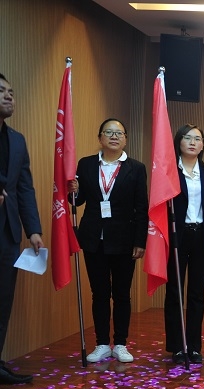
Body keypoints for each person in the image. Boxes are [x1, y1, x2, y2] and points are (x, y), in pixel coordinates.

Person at [69, 118, 148, 364]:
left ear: (125, 139)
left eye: (119, 133)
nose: (114, 137)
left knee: (122, 294)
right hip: (94, 238)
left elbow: (141, 207)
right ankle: (102, 343)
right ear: (100, 138)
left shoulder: (136, 168)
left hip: (124, 240)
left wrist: (140, 241)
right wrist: (74, 190)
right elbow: (77, 201)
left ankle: (121, 343)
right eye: (109, 132)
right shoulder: (86, 164)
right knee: (99, 293)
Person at [164, 124, 204, 365]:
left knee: (197, 295)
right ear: (178, 142)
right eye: (187, 138)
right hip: (177, 237)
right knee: (174, 293)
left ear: (203, 145)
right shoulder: (168, 171)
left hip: (202, 237)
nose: (192, 142)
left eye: (197, 139)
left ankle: (194, 347)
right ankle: (177, 347)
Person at [0, 73, 42, 385]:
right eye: (1, 91)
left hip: (8, 233)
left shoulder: (17, 140)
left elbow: (24, 188)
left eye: (11, 92)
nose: (9, 96)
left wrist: (34, 230)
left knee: (3, 301)